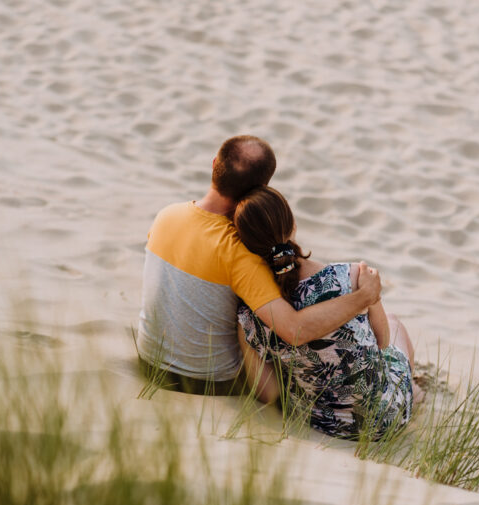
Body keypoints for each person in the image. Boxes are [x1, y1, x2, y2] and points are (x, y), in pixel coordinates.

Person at [137, 135, 382, 395]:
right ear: (261, 190)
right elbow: (294, 331)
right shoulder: (240, 253)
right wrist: (364, 296)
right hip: (207, 383)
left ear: (214, 165)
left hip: (148, 364)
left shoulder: (167, 215)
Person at [234, 186, 419, 438]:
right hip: (383, 422)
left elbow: (268, 393)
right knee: (395, 324)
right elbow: (383, 342)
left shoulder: (249, 317)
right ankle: (414, 393)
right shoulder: (352, 277)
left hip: (324, 424)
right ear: (293, 226)